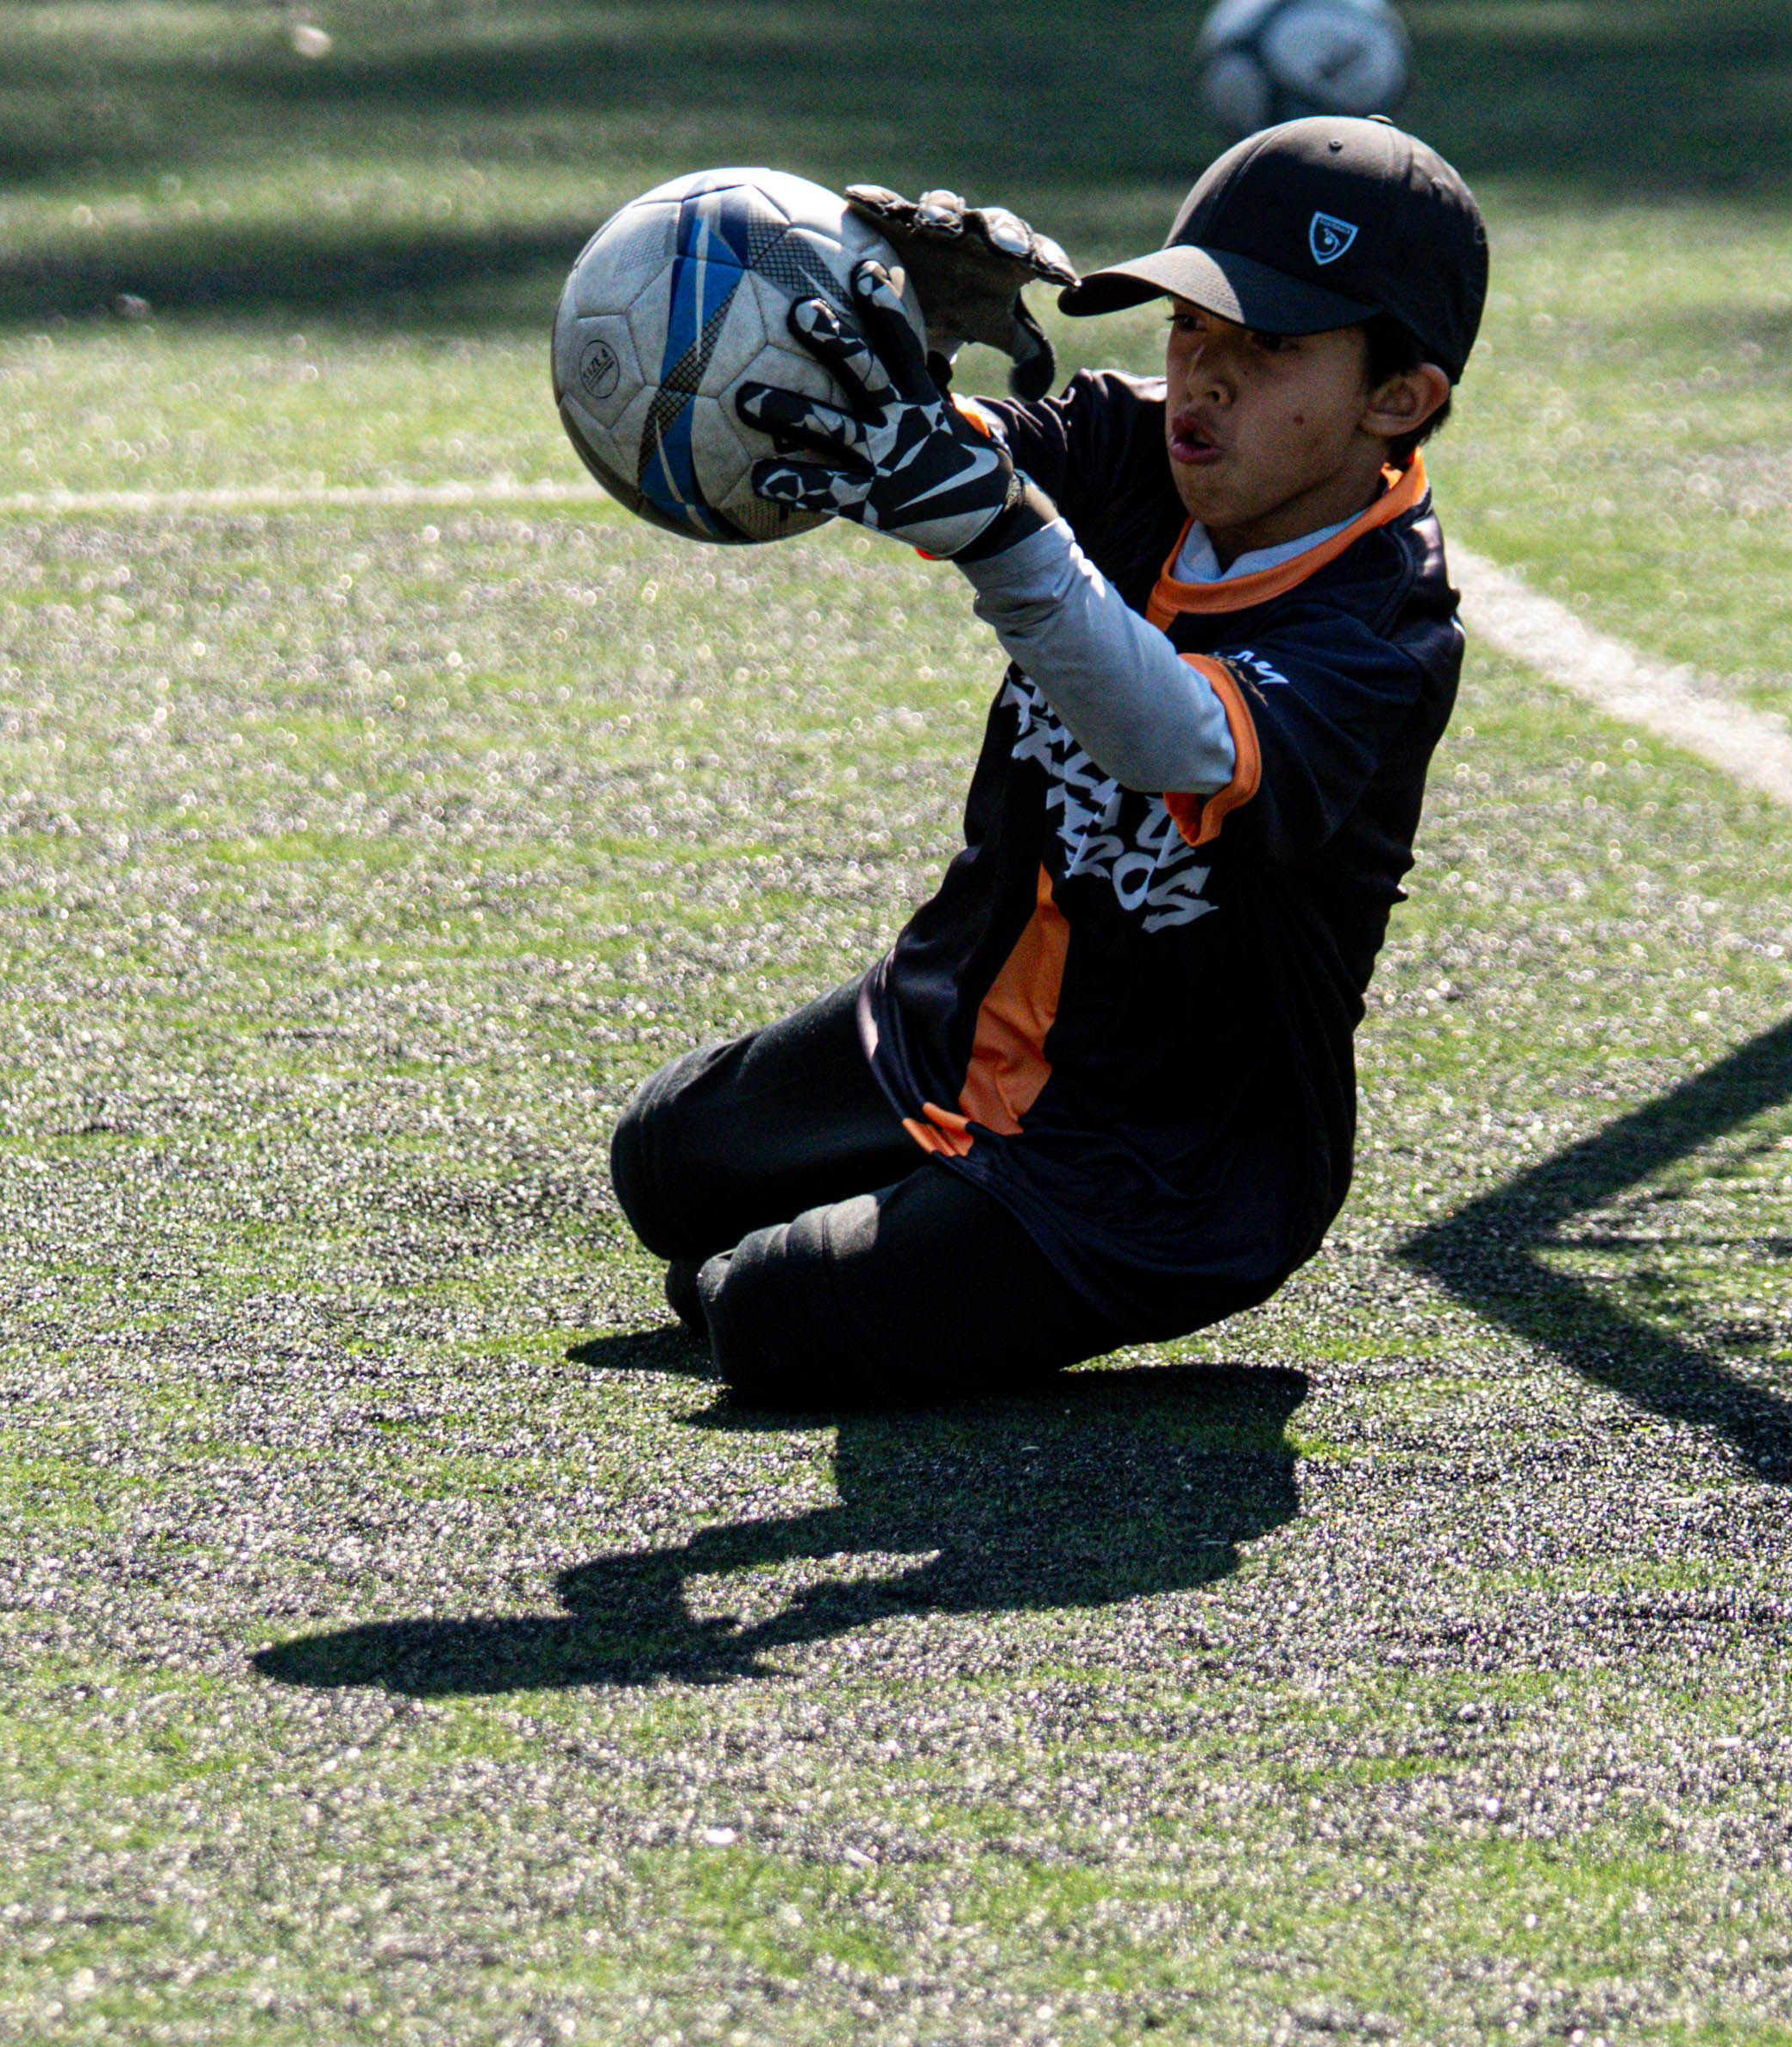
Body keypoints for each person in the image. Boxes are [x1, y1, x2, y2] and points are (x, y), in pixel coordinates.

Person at [605, 115, 1487, 1403]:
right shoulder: (1134, 444)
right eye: (1191, 328)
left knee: (755, 1316)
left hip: (1158, 1167)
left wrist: (1006, 542)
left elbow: (1176, 736)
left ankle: (905, 1233)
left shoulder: (1384, 628)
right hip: (944, 1021)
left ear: (1399, 399)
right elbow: (937, 459)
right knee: (661, 1166)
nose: (1205, 378)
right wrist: (906, 358)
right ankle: (913, 1195)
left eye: (1271, 347)